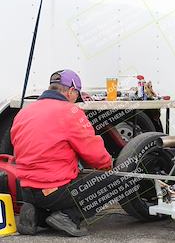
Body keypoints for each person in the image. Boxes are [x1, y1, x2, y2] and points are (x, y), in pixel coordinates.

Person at [11, 69, 112, 237]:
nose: (76, 100)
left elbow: (18, 146)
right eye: (77, 95)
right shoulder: (70, 112)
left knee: (53, 187)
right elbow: (95, 155)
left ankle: (35, 213)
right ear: (71, 90)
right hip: (53, 192)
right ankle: (68, 217)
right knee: (116, 182)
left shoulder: (24, 112)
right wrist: (108, 165)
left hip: (25, 189)